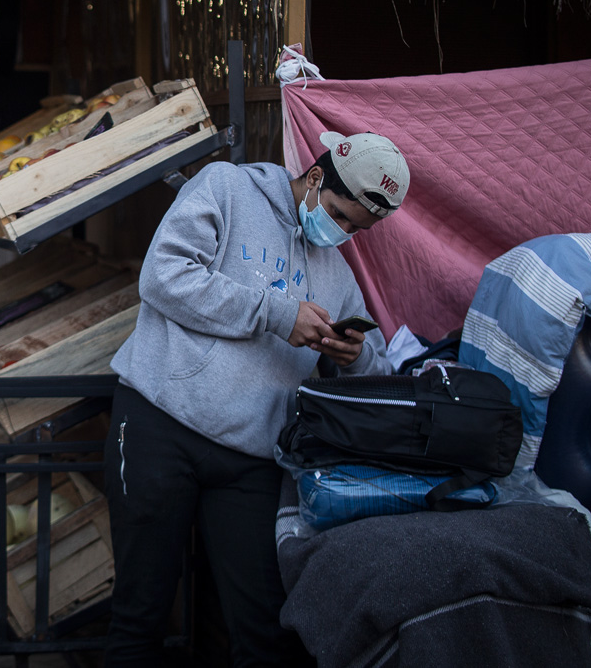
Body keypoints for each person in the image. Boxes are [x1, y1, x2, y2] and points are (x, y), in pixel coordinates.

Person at [102, 130, 411, 667]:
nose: (341, 233)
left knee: (265, 627)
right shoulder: (226, 188)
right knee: (140, 612)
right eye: (339, 215)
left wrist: (353, 356)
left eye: (356, 229)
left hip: (251, 462)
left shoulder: (336, 277)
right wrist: (275, 313)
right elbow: (163, 277)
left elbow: (376, 370)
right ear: (315, 177)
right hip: (158, 426)